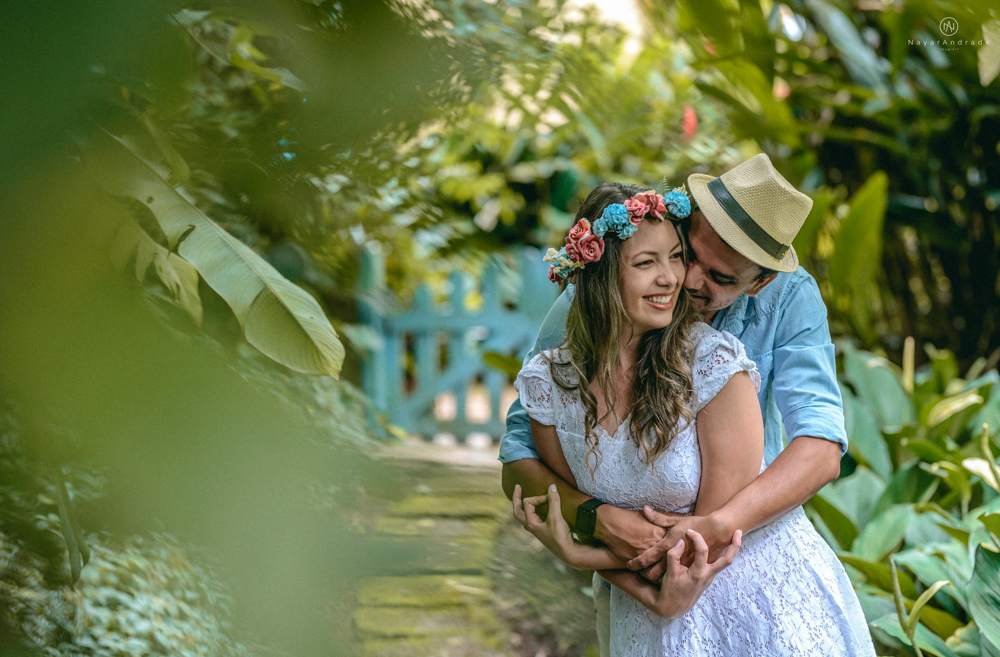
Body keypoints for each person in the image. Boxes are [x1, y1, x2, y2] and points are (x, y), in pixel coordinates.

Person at [502, 154, 866, 653]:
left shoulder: (777, 308)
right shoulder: (605, 289)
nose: (685, 280)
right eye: (686, 254)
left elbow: (821, 445)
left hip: (751, 570)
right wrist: (596, 520)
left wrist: (715, 527)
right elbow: (520, 452)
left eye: (721, 278)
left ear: (760, 282)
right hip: (639, 587)